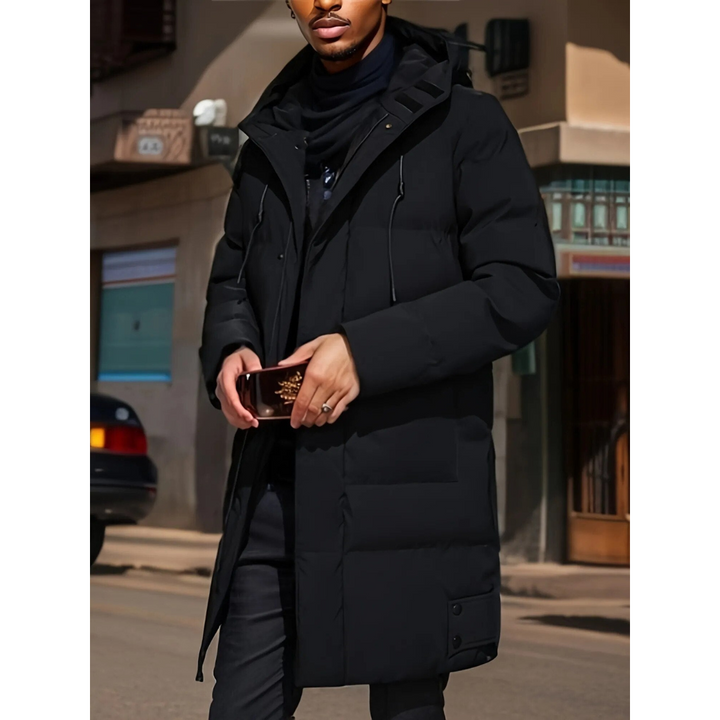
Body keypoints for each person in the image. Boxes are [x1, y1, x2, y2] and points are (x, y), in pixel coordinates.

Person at [197, 2, 560, 719]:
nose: (325, 2)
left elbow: (521, 288)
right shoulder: (270, 136)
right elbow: (232, 275)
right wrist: (232, 347)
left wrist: (364, 353)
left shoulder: (465, 124)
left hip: (407, 498)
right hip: (277, 490)